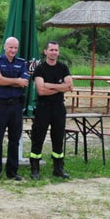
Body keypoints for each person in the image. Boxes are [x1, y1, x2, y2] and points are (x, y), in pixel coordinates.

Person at [29, 41, 73, 180]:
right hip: (43, 108)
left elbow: (70, 86)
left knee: (58, 138)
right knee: (38, 138)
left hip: (59, 108)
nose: (54, 52)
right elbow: (41, 91)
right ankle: (35, 169)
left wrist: (49, 85)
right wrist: (60, 87)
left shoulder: (63, 67)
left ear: (58, 52)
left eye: (56, 50)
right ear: (45, 52)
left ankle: (58, 168)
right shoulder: (40, 68)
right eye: (51, 50)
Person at [0, 36, 29, 182]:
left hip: (16, 105)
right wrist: (16, 81)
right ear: (5, 47)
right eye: (10, 47)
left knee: (14, 140)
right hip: (1, 105)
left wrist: (8, 80)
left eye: (15, 48)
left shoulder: (21, 63)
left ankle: (12, 172)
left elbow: (24, 83)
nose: (13, 50)